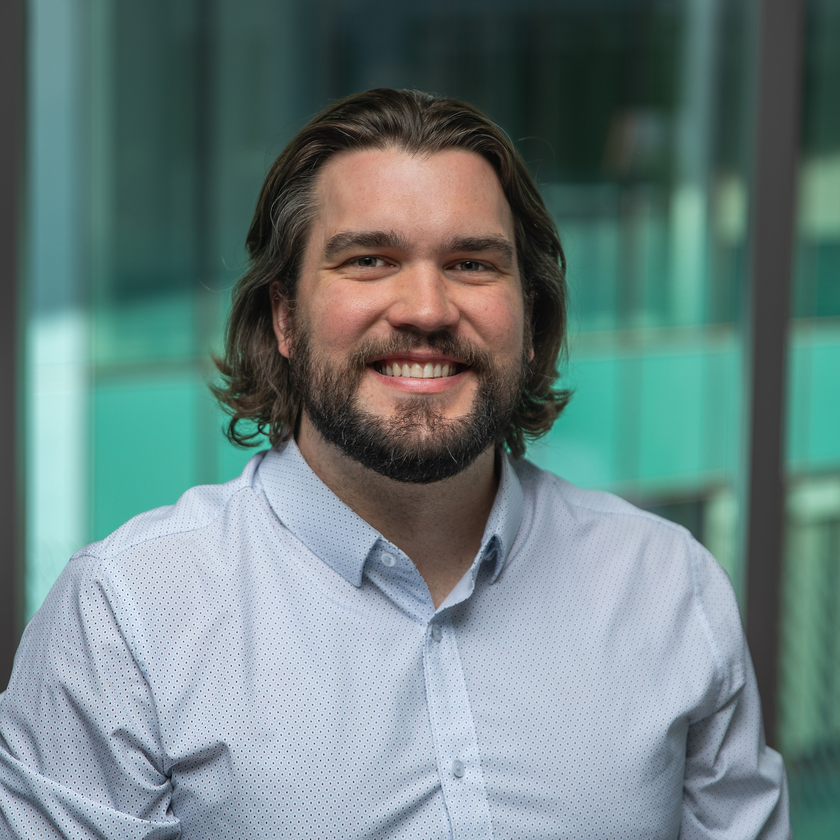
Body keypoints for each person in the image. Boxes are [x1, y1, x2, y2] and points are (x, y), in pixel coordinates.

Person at [0, 88, 789, 839]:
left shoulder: (670, 589)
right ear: (282, 316)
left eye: (473, 264)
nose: (425, 308)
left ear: (531, 316)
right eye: (370, 260)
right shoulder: (125, 618)